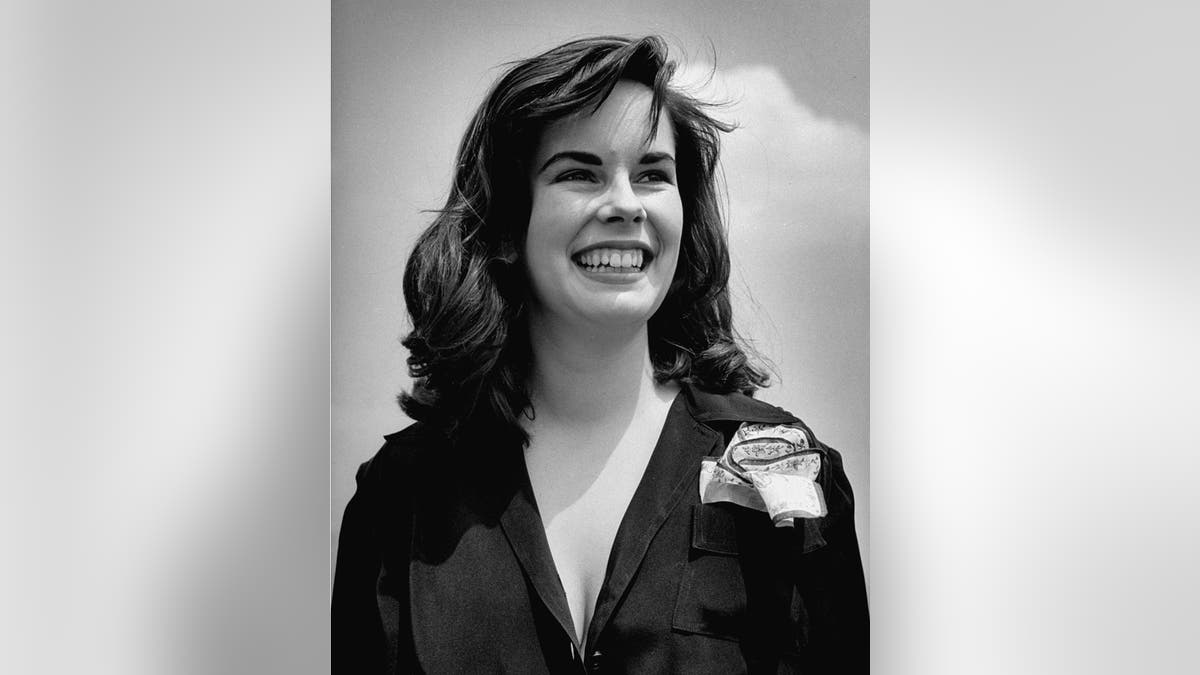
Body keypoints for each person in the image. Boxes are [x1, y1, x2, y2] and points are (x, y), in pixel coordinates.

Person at [332, 35, 868, 673]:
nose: (624, 204)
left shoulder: (791, 479)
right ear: (507, 225)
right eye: (579, 173)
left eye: (652, 174)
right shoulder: (400, 496)